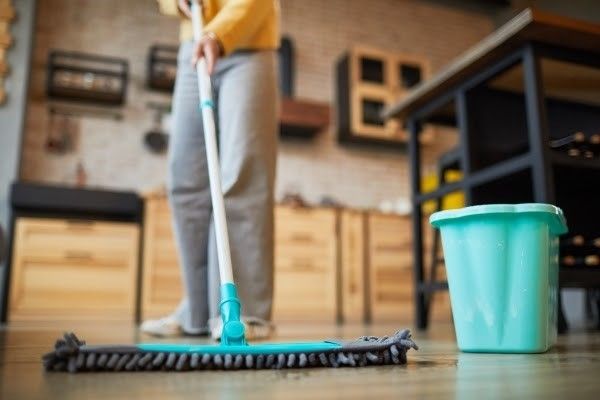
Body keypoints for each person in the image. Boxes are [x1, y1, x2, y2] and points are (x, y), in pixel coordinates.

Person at [142, 0, 280, 339]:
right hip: (193, 45)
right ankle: (197, 311)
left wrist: (221, 33)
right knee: (185, 181)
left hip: (249, 43)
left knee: (241, 175)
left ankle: (244, 311)